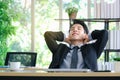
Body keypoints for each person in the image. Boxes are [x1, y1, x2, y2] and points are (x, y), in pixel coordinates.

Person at [44, 20, 108, 71]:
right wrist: (64, 37)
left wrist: (89, 36)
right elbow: (48, 35)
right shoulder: (60, 49)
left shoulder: (92, 49)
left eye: (79, 29)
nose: (75, 30)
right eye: (72, 29)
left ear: (85, 34)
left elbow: (104, 34)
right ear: (69, 35)